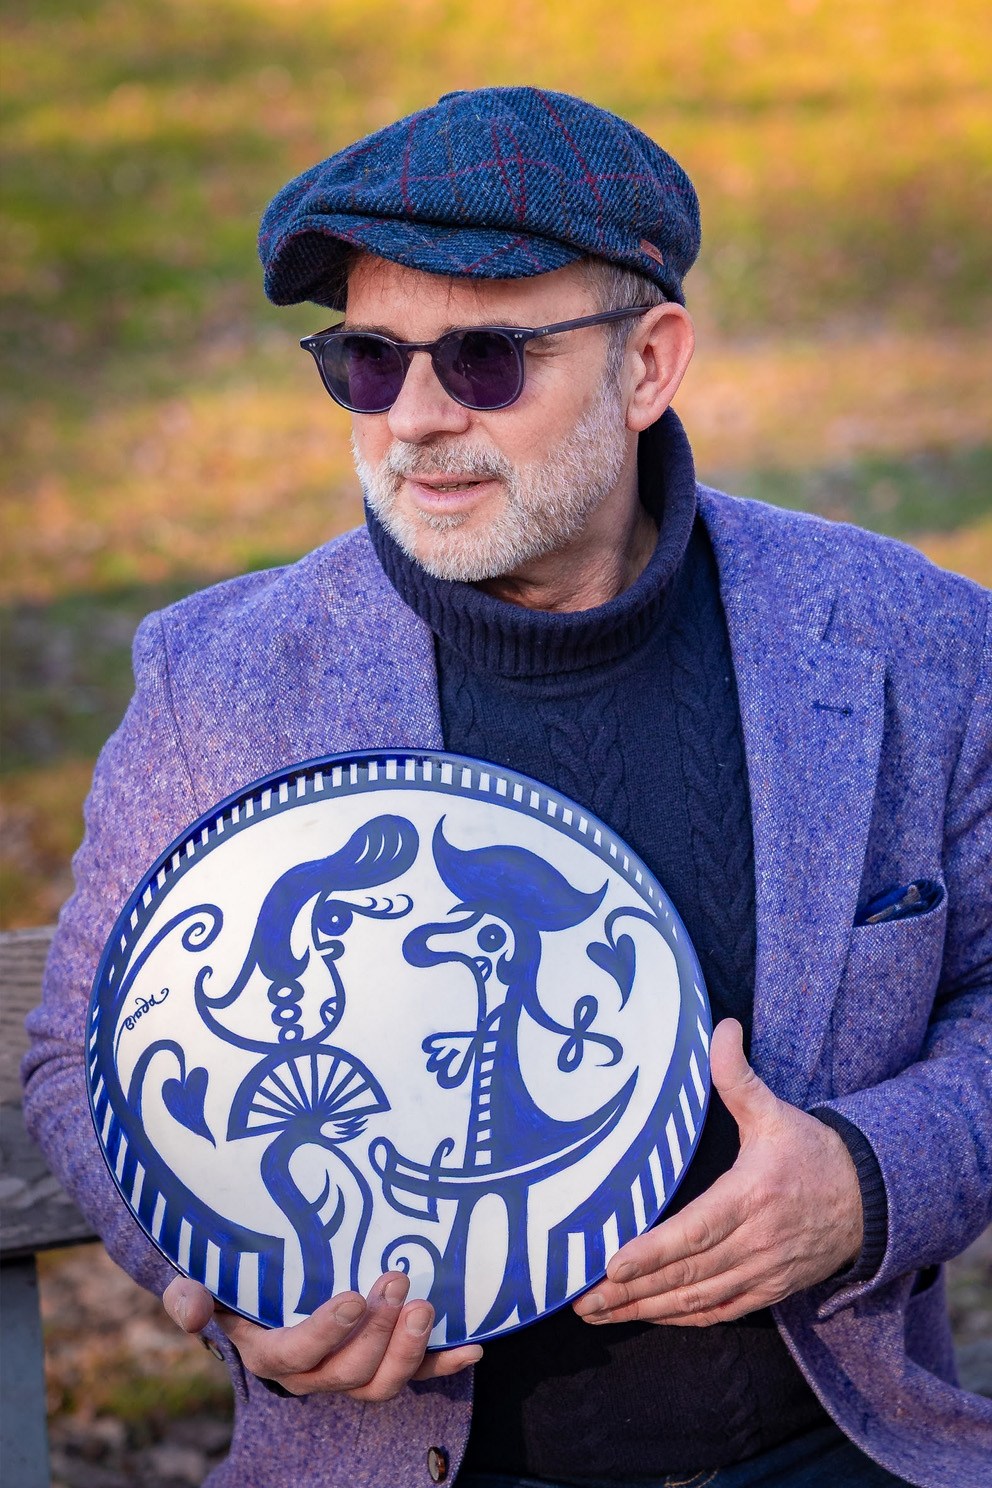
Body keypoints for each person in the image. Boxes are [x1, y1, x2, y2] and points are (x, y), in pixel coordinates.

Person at [22, 87, 991, 1488]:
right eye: (367, 361)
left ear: (648, 364)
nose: (414, 420)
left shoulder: (911, 643)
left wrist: (871, 1178)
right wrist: (229, 1282)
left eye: (484, 360)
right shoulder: (219, 682)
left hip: (836, 1452)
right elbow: (80, 1053)